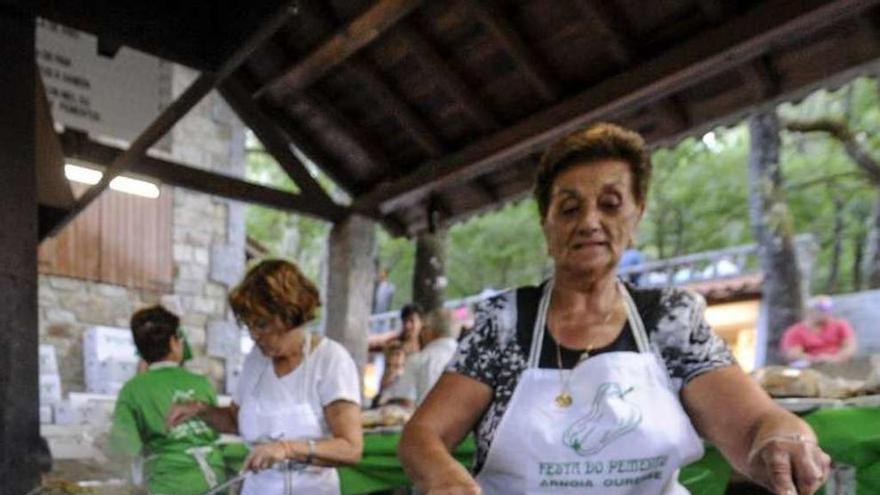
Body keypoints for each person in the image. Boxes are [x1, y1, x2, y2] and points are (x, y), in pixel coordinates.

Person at [399, 123, 831, 495]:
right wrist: (442, 475)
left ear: (637, 217)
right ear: (546, 227)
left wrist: (783, 438)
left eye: (610, 204)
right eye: (569, 208)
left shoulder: (672, 320)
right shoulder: (505, 321)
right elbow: (423, 434)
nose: (589, 221)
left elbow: (756, 424)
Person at [166, 259, 362, 494]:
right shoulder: (256, 361)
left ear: (289, 315)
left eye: (262, 324)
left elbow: (350, 448)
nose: (255, 336)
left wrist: (287, 448)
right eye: (249, 326)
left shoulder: (330, 360)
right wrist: (199, 410)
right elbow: (235, 421)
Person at [107, 305, 226, 495]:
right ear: (174, 342)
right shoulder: (202, 383)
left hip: (170, 484)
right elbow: (218, 430)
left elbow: (122, 448)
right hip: (216, 481)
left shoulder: (133, 390)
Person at [386, 309, 460, 407]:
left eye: (424, 328)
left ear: (431, 331)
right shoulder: (467, 360)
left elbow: (406, 402)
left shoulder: (418, 360)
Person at [781, 295, 857, 364]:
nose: (827, 312)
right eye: (823, 309)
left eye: (829, 309)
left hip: (838, 364)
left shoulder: (841, 325)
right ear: (810, 311)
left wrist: (834, 359)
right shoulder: (795, 331)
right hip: (809, 366)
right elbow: (793, 354)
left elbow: (850, 348)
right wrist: (816, 359)